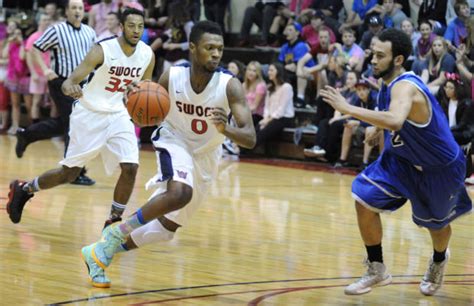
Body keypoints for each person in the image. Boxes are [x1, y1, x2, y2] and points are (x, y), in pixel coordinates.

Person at [81, 20, 256, 288]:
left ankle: (100, 252)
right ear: (193, 48)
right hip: (174, 140)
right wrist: (134, 103)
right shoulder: (172, 76)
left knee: (165, 231)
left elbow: (251, 138)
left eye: (220, 49)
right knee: (179, 193)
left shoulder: (229, 85)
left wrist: (226, 129)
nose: (216, 54)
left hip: (206, 156)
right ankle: (117, 231)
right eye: (209, 48)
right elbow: (146, 118)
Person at [320, 28, 472, 296]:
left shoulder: (405, 86)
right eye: (372, 54)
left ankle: (439, 260)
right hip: (401, 160)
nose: (373, 60)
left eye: (380, 56)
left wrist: (348, 108)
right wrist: (377, 126)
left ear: (398, 59)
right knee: (363, 199)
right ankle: (376, 267)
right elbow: (391, 116)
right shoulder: (388, 84)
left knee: (435, 226)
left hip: (439, 168)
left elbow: (396, 119)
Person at [6, 8, 155, 231]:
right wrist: (71, 88)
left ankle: (113, 222)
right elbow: (69, 82)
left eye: (140, 26)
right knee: (70, 172)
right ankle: (24, 189)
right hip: (89, 112)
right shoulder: (102, 50)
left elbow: (145, 90)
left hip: (117, 114)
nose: (136, 30)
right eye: (131, 26)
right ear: (121, 28)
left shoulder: (147, 55)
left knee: (131, 166)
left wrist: (139, 101)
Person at [15, 0, 97, 185]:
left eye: (80, 8)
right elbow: (36, 49)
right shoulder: (57, 30)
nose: (77, 11)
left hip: (83, 85)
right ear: (67, 11)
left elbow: (93, 58)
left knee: (66, 124)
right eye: (73, 8)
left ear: (83, 12)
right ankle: (75, 172)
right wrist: (45, 70)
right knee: (75, 125)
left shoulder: (90, 32)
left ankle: (28, 134)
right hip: (62, 83)